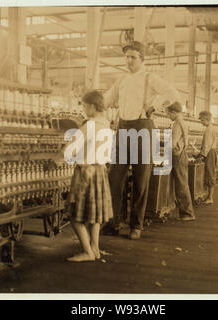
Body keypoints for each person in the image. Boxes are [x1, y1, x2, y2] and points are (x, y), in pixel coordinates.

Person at [102, 40, 180, 240]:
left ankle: (136, 225)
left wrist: (156, 105)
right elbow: (106, 100)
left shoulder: (149, 78)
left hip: (143, 128)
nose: (129, 61)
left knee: (140, 179)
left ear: (142, 59)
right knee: (114, 178)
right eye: (127, 57)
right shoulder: (121, 80)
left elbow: (172, 93)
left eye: (133, 57)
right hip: (122, 129)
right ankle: (113, 222)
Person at [64, 91, 113, 262]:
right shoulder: (107, 125)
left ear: (92, 106)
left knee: (75, 216)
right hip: (99, 171)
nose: (84, 110)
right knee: (94, 215)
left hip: (85, 172)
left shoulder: (89, 125)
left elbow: (70, 149)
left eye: (85, 106)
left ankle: (87, 252)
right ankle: (95, 248)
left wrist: (54, 160)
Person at [166, 102, 196, 221]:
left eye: (168, 113)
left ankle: (188, 213)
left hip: (177, 156)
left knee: (181, 185)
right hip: (181, 154)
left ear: (173, 112)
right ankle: (183, 211)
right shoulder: (183, 122)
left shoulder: (177, 124)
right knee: (181, 184)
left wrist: (160, 145)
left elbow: (173, 143)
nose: (168, 116)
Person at [194, 111, 217, 205]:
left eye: (202, 120)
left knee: (210, 174)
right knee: (209, 173)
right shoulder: (211, 128)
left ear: (206, 119)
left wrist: (201, 155)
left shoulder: (208, 130)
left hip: (209, 154)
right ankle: (208, 196)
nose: (201, 122)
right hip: (211, 152)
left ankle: (210, 198)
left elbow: (207, 146)